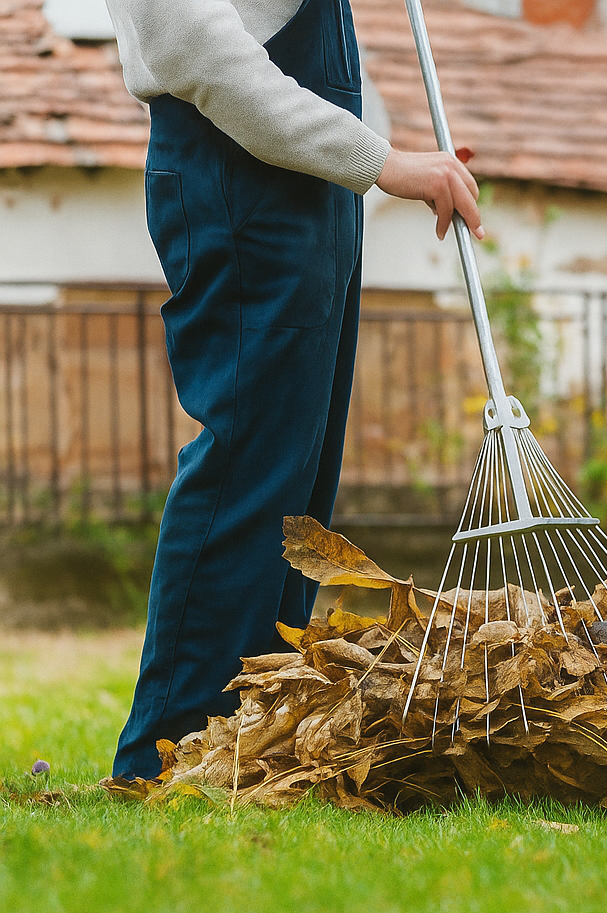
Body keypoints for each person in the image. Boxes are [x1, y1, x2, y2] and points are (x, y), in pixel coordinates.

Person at [104, 0, 483, 780]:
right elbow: (199, 50)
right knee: (247, 468)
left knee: (297, 489)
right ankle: (169, 752)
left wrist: (368, 160)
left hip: (311, 191)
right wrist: (383, 161)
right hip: (237, 176)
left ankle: (257, 740)